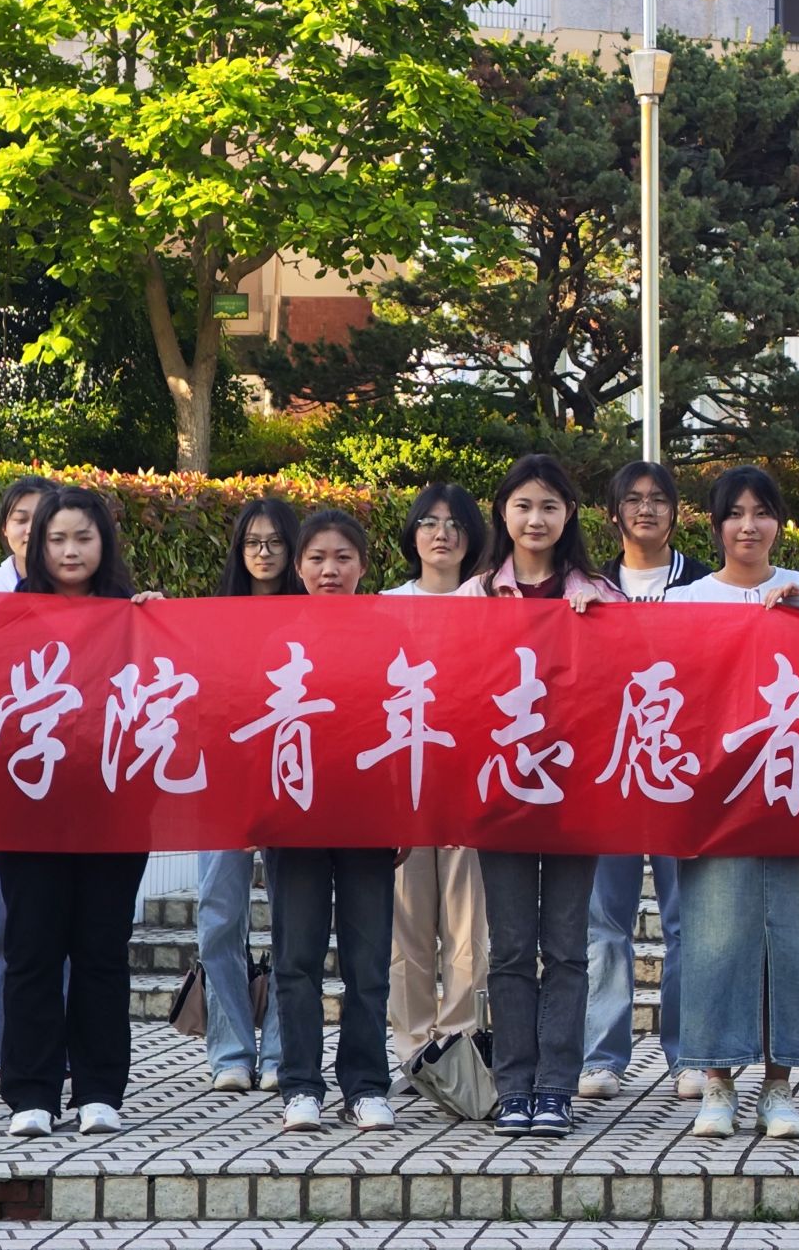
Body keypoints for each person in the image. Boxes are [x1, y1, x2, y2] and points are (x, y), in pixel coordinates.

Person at [667, 466, 799, 1140]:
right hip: (716, 799)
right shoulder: (688, 600)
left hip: (798, 793)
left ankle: (778, 1085)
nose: (749, 526)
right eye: (735, 513)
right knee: (716, 937)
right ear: (715, 526)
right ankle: (717, 1081)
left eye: (762, 512)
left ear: (779, 521)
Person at [457, 455, 621, 1138]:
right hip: (502, 796)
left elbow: (624, 685)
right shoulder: (475, 596)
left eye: (549, 505)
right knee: (511, 950)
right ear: (503, 512)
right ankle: (514, 1085)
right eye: (523, 505)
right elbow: (455, 687)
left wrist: (601, 625)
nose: (535, 519)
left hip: (575, 798)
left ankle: (556, 1087)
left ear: (568, 514)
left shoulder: (599, 593)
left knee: (568, 947)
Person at [0, 487, 156, 1139]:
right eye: (57, 538)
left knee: (101, 952)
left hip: (113, 811)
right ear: (38, 545)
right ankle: (31, 1093)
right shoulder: (8, 617)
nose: (70, 551)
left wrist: (160, 625)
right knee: (32, 951)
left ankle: (99, 1090)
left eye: (83, 538)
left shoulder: (134, 615)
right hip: (27, 811)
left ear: (104, 543)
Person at [580, 461, 709, 1104]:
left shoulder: (705, 586)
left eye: (659, 499)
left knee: (688, 923)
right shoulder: (590, 586)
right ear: (613, 514)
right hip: (612, 778)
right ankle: (602, 1056)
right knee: (606, 923)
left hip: (682, 778)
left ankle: (689, 1056)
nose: (646, 509)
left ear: (676, 513)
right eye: (632, 499)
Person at [270, 509, 398, 1133]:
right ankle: (300, 1084)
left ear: (363, 567)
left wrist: (405, 815)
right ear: (298, 567)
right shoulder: (272, 635)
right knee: (296, 958)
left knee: (367, 962)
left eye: (343, 557)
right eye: (317, 558)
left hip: (368, 817)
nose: (330, 569)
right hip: (292, 818)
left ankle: (366, 1085)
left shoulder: (387, 634)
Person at [384, 483, 490, 1073]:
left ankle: (459, 1049)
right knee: (406, 927)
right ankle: (413, 1053)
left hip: (469, 782)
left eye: (454, 523)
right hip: (402, 784)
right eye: (428, 522)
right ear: (413, 533)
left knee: (468, 925)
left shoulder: (491, 603)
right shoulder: (385, 605)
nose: (441, 533)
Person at [196, 497, 299, 1096]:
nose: (263, 553)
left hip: (294, 784)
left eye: (275, 542)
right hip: (224, 788)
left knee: (292, 923)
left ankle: (283, 1052)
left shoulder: (312, 616)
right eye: (253, 542)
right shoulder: (213, 617)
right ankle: (230, 1051)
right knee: (218, 919)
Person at [0, 474, 57, 1094]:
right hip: (0, 784)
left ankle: (60, 1044)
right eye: (20, 517)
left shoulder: (83, 592)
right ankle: (6, 1046)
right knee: (3, 925)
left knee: (62, 927)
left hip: (65, 782)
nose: (30, 528)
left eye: (42, 517)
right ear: (5, 528)